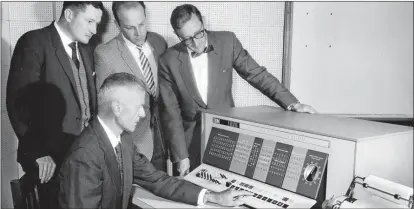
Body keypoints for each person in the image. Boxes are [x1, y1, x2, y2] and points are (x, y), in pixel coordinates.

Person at [158, 4, 317, 176]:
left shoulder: (227, 41)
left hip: (226, 134)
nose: (196, 43)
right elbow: (170, 112)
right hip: (188, 143)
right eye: (187, 39)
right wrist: (181, 156)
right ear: (177, 35)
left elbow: (257, 74)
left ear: (203, 23)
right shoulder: (168, 60)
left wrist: (292, 104)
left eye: (198, 34)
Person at [58, 72, 252, 209]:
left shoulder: (122, 140)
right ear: (117, 107)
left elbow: (156, 180)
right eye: (139, 106)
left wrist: (213, 197)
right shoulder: (84, 156)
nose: (143, 114)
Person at [6, 2, 103, 208]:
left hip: (82, 157)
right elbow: (18, 103)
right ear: (68, 14)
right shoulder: (34, 41)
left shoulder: (86, 49)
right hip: (48, 159)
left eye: (97, 23)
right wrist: (38, 153)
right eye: (89, 21)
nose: (94, 30)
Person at [95, 1, 167, 171]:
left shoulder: (159, 42)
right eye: (129, 27)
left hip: (164, 138)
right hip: (135, 142)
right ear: (117, 24)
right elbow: (106, 109)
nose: (138, 32)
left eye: (141, 24)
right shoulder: (105, 54)